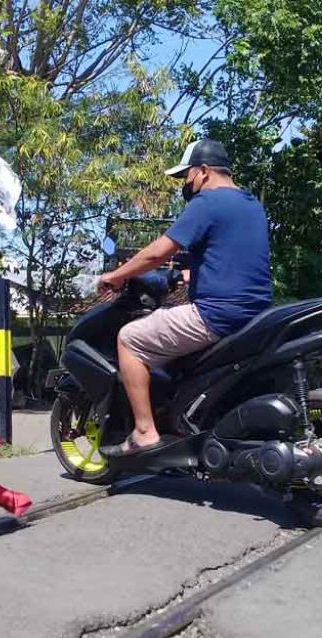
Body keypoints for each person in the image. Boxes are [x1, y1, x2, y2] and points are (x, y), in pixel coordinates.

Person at [98, 139, 271, 456]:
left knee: (129, 339)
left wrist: (117, 275)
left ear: (204, 171)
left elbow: (158, 253)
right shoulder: (251, 204)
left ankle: (144, 432)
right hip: (254, 315)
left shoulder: (207, 202)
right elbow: (230, 258)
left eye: (186, 176)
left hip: (215, 314)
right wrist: (185, 275)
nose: (186, 184)